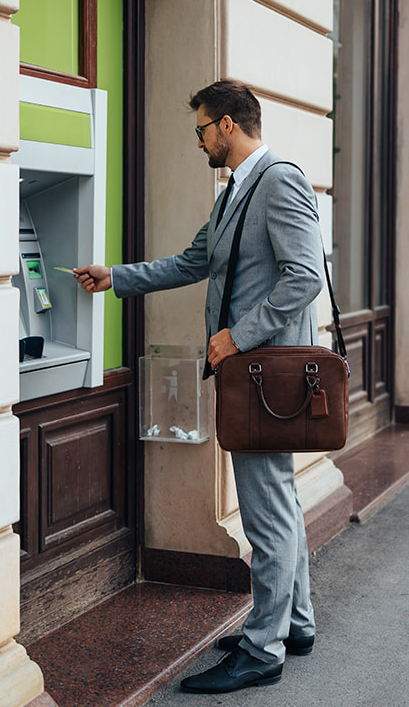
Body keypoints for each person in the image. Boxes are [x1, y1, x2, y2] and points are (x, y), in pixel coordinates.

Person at [73, 79, 321, 694]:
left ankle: (263, 649)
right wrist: (116, 277)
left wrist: (239, 335)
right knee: (279, 499)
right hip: (255, 376)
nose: (200, 140)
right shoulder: (236, 191)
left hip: (265, 375)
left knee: (266, 510)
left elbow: (304, 276)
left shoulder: (278, 180)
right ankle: (295, 621)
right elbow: (193, 262)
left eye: (203, 128)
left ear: (229, 126)